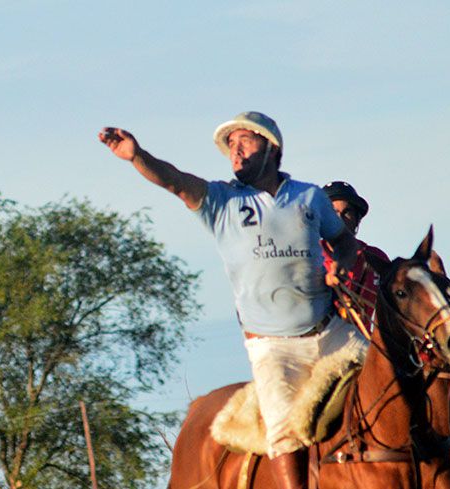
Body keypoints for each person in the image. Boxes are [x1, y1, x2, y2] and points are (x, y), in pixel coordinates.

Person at [98, 112, 363, 489]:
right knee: (285, 433)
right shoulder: (220, 201)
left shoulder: (309, 196)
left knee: (394, 377)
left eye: (244, 142)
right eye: (230, 146)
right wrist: (137, 156)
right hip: (274, 348)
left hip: (330, 331)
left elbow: (344, 241)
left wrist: (341, 263)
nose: (234, 152)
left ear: (271, 148)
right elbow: (175, 182)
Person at [320, 181, 390, 334]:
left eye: (347, 213)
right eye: (333, 213)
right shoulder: (309, 256)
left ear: (357, 219)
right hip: (318, 347)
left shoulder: (377, 258)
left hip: (363, 346)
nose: (340, 219)